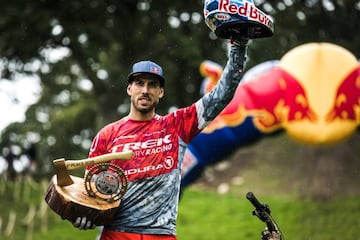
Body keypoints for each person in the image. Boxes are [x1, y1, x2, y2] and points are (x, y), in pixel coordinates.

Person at [73, 38, 249, 240]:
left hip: (160, 235)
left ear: (161, 92)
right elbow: (92, 190)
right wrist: (84, 215)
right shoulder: (107, 135)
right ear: (129, 89)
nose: (145, 90)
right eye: (139, 83)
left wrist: (238, 47)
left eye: (152, 85)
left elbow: (221, 95)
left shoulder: (177, 125)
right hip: (115, 234)